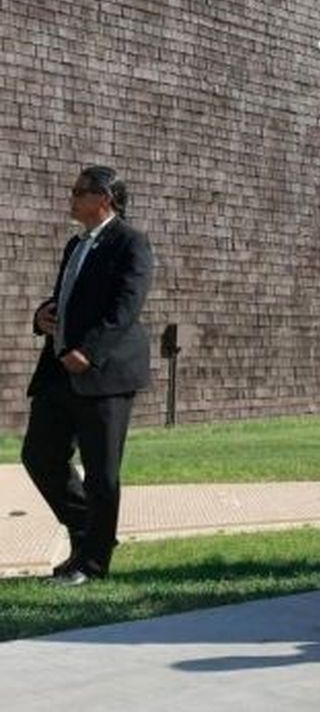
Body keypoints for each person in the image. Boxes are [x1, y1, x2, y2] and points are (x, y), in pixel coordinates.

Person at [23, 166, 154, 585]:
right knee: (39, 455)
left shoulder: (131, 243)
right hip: (59, 371)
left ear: (104, 199)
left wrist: (89, 351)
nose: (72, 198)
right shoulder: (75, 245)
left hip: (104, 374)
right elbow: (67, 298)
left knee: (101, 474)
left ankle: (93, 564)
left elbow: (126, 306)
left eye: (79, 192)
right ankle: (89, 534)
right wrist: (41, 316)